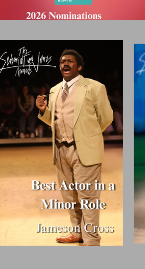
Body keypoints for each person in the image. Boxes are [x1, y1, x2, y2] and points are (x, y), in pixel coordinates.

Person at [36, 50, 113, 246]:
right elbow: (53, 120)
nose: (65, 64)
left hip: (84, 150)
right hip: (61, 150)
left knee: (88, 197)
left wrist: (89, 136)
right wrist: (43, 111)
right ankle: (77, 232)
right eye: (62, 62)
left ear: (79, 66)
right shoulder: (54, 90)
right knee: (70, 195)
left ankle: (91, 240)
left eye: (70, 61)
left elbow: (106, 118)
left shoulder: (94, 87)